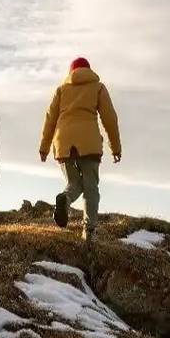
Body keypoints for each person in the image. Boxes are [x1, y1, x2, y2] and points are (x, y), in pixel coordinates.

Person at [38, 57, 121, 249]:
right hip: (89, 143)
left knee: (73, 183)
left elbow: (50, 119)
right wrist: (115, 147)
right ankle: (89, 232)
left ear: (71, 72)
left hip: (64, 143)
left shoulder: (62, 89)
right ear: (88, 70)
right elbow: (110, 118)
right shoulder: (98, 87)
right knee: (91, 188)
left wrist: (44, 147)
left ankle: (65, 200)